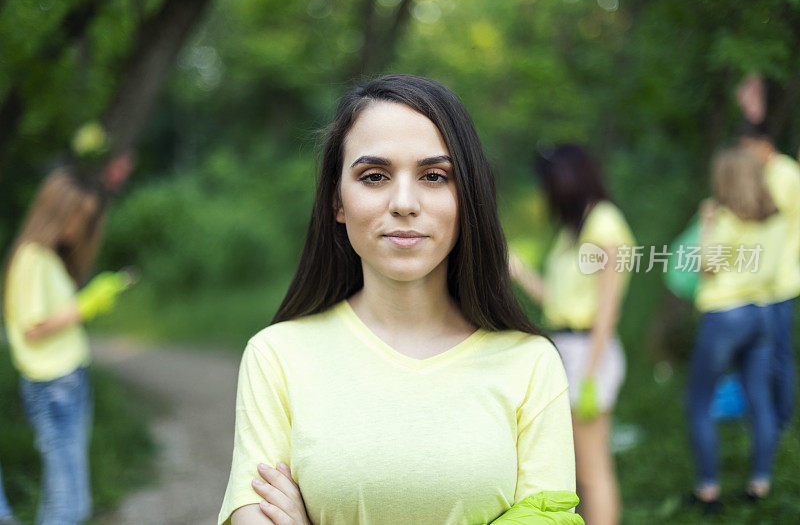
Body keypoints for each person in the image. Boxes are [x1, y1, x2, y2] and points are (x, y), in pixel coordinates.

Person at [218, 74, 581, 525]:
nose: (405, 203)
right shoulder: (276, 357)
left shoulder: (530, 364)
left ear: (466, 196)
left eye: (434, 176)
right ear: (338, 201)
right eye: (374, 176)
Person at [508, 145, 635, 525]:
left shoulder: (605, 223)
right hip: (566, 348)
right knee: (574, 469)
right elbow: (557, 301)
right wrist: (518, 270)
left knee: (593, 471)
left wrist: (591, 374)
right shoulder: (572, 230)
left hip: (587, 354)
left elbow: (608, 308)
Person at [1, 168, 133, 525]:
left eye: (87, 218)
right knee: (68, 503)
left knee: (72, 499)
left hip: (65, 381)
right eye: (78, 215)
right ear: (55, 210)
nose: (79, 226)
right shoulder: (31, 258)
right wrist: (84, 305)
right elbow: (32, 327)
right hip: (53, 385)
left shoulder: (47, 258)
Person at [686, 146, 785, 513]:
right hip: (762, 313)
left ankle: (708, 491)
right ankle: (760, 484)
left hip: (724, 316)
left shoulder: (725, 218)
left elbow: (706, 265)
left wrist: (707, 223)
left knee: (698, 402)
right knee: (760, 399)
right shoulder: (776, 220)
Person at [738, 122, 800, 435]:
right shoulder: (767, 173)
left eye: (747, 148)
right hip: (761, 283)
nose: (744, 155)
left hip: (780, 281)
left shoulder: (785, 174)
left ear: (763, 144)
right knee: (761, 357)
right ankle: (764, 421)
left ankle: (782, 422)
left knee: (778, 356)